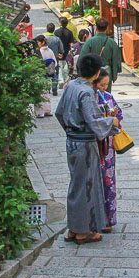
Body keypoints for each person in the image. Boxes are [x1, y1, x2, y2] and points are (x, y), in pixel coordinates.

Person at [54, 54, 119, 244]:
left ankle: (74, 228)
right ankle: (84, 231)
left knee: (76, 184)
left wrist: (70, 129)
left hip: (71, 141)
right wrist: (112, 122)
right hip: (85, 144)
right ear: (97, 72)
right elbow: (94, 121)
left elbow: (59, 113)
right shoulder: (86, 92)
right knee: (87, 186)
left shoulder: (71, 86)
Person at [93, 69, 123, 233]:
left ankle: (108, 219)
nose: (104, 88)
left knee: (108, 180)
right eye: (101, 84)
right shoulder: (91, 99)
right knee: (96, 180)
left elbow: (120, 116)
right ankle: (96, 218)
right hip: (95, 144)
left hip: (108, 146)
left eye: (106, 84)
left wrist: (115, 115)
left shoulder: (109, 98)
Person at [79, 18, 122, 91]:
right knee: (105, 93)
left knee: (92, 93)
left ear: (96, 27)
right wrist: (114, 72)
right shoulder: (112, 42)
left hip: (93, 72)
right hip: (107, 73)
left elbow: (82, 59)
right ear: (107, 28)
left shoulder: (90, 42)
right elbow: (116, 59)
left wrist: (82, 73)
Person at [34, 35, 57, 118]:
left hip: (40, 74)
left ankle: (40, 112)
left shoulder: (39, 51)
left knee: (39, 93)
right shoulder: (50, 51)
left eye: (38, 42)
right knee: (47, 93)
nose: (37, 44)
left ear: (42, 42)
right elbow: (55, 62)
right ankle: (47, 110)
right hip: (48, 74)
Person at [44, 23, 64, 96]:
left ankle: (46, 89)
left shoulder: (44, 38)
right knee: (54, 74)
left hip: (44, 58)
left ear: (47, 29)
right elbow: (61, 50)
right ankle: (54, 89)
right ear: (54, 30)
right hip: (54, 59)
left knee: (44, 73)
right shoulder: (57, 39)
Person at [54, 17, 75, 88]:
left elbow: (56, 43)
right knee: (66, 68)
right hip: (66, 52)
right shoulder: (69, 32)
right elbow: (71, 44)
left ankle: (61, 81)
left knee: (59, 67)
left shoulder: (56, 32)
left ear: (60, 23)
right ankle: (66, 81)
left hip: (59, 52)